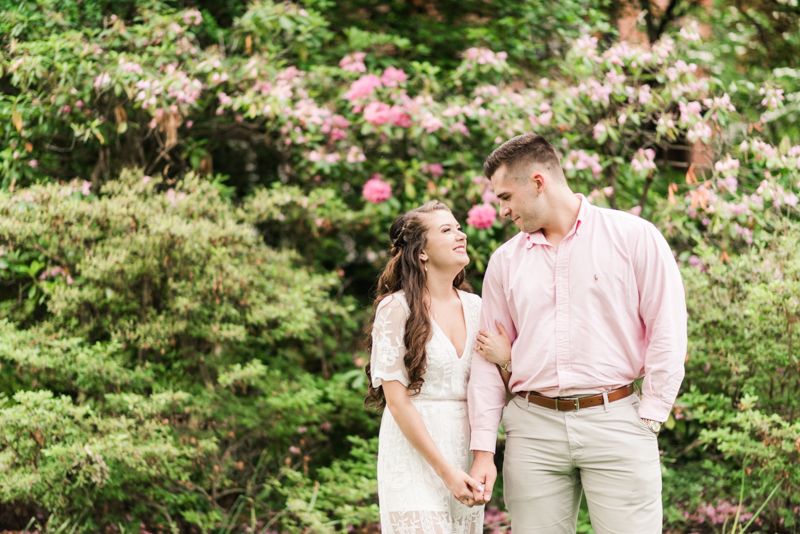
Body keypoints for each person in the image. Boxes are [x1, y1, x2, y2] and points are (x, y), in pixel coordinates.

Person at [467, 133, 688, 534]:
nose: (502, 211)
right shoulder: (504, 263)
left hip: (616, 421)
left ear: (538, 182)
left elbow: (668, 329)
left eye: (505, 197)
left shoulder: (634, 237)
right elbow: (486, 362)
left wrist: (652, 414)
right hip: (532, 431)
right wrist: (483, 450)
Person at [365, 200, 487, 534]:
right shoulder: (396, 308)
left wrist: (481, 456)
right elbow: (397, 399)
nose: (460, 234)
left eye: (459, 227)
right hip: (414, 452)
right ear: (422, 252)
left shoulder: (478, 308)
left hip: (465, 448)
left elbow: (495, 387)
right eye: (446, 230)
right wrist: (445, 472)